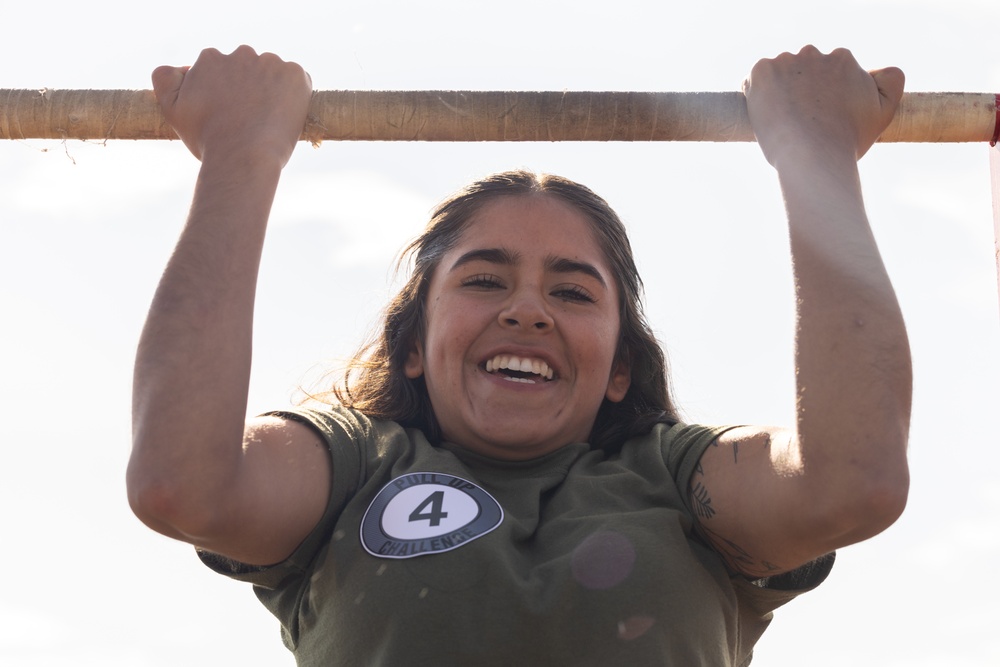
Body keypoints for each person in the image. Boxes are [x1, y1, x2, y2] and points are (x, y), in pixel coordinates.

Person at [127, 44, 911, 666]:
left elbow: (853, 483)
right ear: (412, 349)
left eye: (572, 292)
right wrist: (241, 155)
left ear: (620, 370)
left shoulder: (676, 475)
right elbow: (180, 484)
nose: (526, 309)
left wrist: (817, 162)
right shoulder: (355, 465)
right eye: (484, 278)